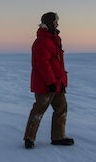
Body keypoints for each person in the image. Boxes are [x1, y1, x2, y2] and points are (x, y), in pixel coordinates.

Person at [23, 12, 74, 149]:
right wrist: (50, 82)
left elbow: (57, 63)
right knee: (38, 111)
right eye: (56, 22)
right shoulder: (41, 41)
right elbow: (42, 64)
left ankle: (58, 137)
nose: (57, 24)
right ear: (50, 23)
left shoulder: (54, 39)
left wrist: (61, 82)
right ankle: (29, 138)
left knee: (61, 108)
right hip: (46, 84)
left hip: (57, 83)